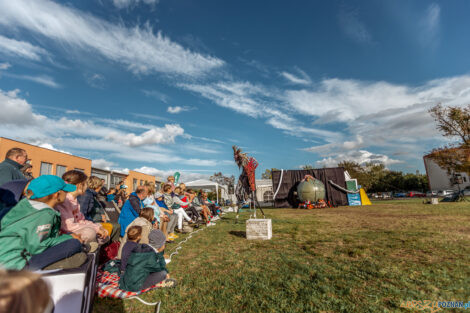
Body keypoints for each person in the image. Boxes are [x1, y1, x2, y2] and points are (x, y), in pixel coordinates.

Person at [0, 175, 85, 270]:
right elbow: (38, 246)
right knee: (74, 244)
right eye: (65, 191)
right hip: (16, 263)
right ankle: (46, 266)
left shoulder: (26, 206)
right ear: (57, 195)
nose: (67, 193)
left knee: (71, 239)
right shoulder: (44, 214)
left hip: (6, 257)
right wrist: (69, 238)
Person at [55, 170, 109, 244]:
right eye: (86, 184)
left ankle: (93, 244)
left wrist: (97, 227)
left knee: (102, 230)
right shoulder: (65, 201)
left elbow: (81, 219)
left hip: (76, 229)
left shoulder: (74, 200)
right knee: (90, 232)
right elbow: (68, 227)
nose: (87, 187)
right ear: (80, 185)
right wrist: (95, 229)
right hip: (67, 233)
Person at [119, 227, 175, 291]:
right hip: (134, 286)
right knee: (163, 273)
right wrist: (160, 256)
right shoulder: (151, 255)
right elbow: (159, 268)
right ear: (160, 245)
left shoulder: (141, 247)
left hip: (125, 281)